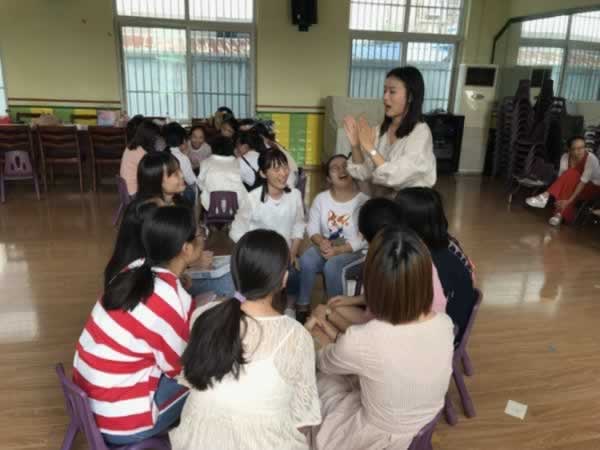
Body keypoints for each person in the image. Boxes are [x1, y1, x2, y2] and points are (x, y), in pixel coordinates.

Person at [170, 230, 321, 450]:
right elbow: (302, 421)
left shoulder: (204, 315)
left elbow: (191, 381)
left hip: (195, 441)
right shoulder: (297, 336)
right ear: (284, 279)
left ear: (234, 273)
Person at [309, 226, 454, 450]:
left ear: (374, 284)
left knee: (321, 383)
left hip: (378, 439)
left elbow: (324, 362)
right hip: (421, 427)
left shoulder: (367, 337)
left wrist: (315, 332)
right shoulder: (445, 323)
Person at [73, 206, 203, 445]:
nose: (203, 238)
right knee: (205, 382)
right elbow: (178, 368)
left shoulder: (132, 269)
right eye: (200, 233)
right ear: (186, 249)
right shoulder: (173, 301)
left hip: (88, 401)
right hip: (118, 420)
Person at [307, 197, 447, 333]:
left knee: (320, 321)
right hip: (418, 326)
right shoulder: (416, 249)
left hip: (396, 332)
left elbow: (371, 336)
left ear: (364, 237)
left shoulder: (383, 263)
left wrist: (328, 316)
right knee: (332, 308)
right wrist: (352, 300)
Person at [395, 187, 477, 345]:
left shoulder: (422, 260)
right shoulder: (449, 242)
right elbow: (471, 277)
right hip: (455, 323)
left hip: (440, 336)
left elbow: (424, 312)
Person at [344, 66, 436, 198]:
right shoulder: (380, 130)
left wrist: (370, 148)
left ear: (410, 96)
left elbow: (396, 177)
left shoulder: (421, 132)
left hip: (410, 204)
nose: (385, 97)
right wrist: (356, 146)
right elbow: (363, 173)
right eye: (384, 91)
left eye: (392, 92)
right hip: (382, 202)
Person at [229, 148, 305, 306]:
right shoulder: (252, 199)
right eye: (276, 169)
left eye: (285, 167)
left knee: (294, 277)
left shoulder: (295, 195)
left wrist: (292, 254)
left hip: (284, 256)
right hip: (260, 258)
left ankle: (290, 308)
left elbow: (298, 225)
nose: (283, 173)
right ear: (263, 174)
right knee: (256, 291)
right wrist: (255, 254)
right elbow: (236, 232)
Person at [297, 154, 368, 319]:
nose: (341, 170)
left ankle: (334, 311)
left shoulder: (364, 201)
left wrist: (338, 250)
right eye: (335, 168)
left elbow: (363, 238)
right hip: (329, 245)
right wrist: (322, 242)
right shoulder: (321, 199)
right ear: (329, 178)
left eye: (345, 166)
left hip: (356, 252)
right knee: (307, 258)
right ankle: (302, 305)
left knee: (332, 265)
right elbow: (312, 228)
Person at [526, 135, 600, 226]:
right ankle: (558, 215)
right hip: (573, 186)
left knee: (571, 173)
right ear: (569, 150)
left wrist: (568, 201)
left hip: (592, 189)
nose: (580, 151)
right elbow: (561, 180)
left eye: (582, 147)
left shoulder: (591, 159)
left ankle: (546, 197)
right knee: (568, 177)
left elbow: (582, 183)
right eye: (575, 149)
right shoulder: (565, 157)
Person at [197, 135, 249, 213]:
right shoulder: (237, 162)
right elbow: (243, 180)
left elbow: (200, 184)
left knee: (200, 195)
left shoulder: (205, 162)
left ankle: (197, 220)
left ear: (213, 148)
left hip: (211, 206)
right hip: (235, 206)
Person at [120, 119, 161, 196]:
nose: (156, 140)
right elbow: (150, 176)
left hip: (127, 191)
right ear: (150, 138)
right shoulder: (141, 153)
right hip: (134, 193)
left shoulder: (131, 147)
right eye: (156, 137)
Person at [253, 122, 298, 189]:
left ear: (259, 135)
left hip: (290, 178)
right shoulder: (273, 143)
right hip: (293, 175)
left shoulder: (268, 146)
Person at [164, 122, 197, 205]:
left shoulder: (163, 153)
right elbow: (192, 181)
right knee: (195, 190)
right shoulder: (182, 158)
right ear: (183, 140)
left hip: (163, 193)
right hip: (176, 196)